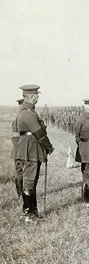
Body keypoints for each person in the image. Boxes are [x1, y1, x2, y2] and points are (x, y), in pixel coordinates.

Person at [15, 85, 54, 222]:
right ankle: (27, 214)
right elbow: (40, 133)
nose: (38, 96)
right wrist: (49, 147)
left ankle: (33, 211)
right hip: (30, 150)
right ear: (31, 96)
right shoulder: (28, 113)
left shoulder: (27, 111)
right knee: (29, 181)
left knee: (32, 181)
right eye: (37, 95)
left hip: (29, 149)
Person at [10, 98, 25, 198]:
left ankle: (19, 194)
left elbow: (14, 137)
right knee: (27, 172)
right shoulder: (24, 118)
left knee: (19, 172)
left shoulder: (16, 119)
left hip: (16, 150)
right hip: (24, 149)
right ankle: (24, 194)